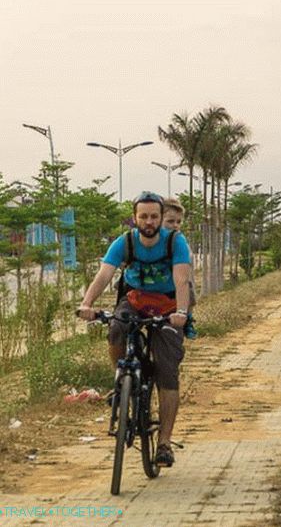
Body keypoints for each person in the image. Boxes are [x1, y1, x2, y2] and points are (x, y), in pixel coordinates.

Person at [77, 191, 191, 467]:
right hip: (135, 300)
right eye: (143, 216)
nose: (149, 222)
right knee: (116, 328)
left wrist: (181, 312)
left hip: (167, 306)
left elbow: (182, 279)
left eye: (154, 216)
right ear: (135, 218)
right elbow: (104, 274)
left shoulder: (175, 241)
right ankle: (122, 380)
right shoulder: (125, 242)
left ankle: (164, 444)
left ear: (161, 218)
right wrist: (87, 304)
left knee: (167, 372)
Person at [161, 196, 197, 338]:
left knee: (188, 289)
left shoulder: (180, 241)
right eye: (170, 221)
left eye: (178, 222)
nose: (175, 225)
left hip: (176, 275)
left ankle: (188, 318)